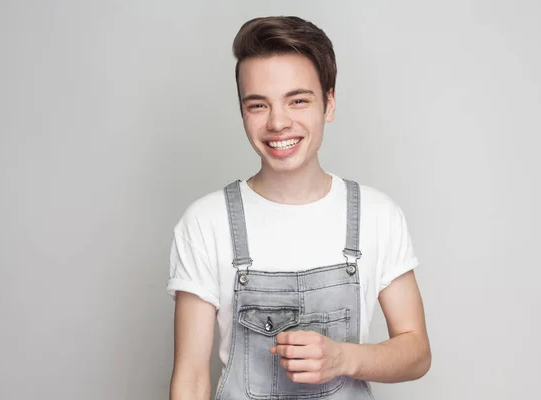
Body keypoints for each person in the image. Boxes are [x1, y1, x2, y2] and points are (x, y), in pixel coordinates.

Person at [167, 16, 431, 400]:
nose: (278, 122)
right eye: (258, 105)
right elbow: (190, 379)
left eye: (298, 100)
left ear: (329, 103)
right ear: (243, 112)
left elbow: (417, 353)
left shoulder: (377, 215)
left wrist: (342, 358)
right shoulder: (206, 222)